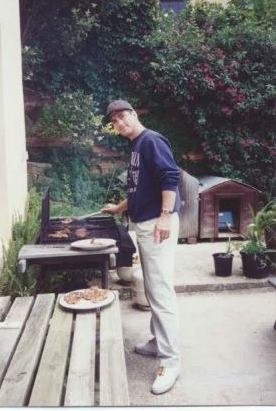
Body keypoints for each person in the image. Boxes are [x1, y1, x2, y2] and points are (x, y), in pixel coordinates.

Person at [101, 99, 182, 395]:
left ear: (135, 114)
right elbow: (140, 187)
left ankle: (170, 361)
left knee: (160, 292)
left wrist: (164, 216)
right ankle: (157, 340)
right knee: (151, 288)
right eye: (115, 122)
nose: (120, 124)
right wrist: (119, 207)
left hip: (156, 225)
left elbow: (170, 177)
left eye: (123, 117)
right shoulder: (137, 146)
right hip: (145, 223)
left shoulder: (151, 140)